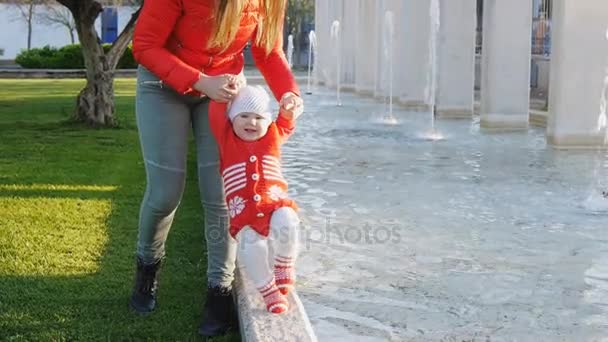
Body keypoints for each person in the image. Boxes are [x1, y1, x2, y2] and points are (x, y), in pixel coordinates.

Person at [128, 0, 303, 337]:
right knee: (165, 193)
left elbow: (268, 51)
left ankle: (218, 292)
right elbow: (145, 45)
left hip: (222, 88)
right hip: (161, 87)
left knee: (223, 195)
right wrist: (197, 80)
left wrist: (289, 94)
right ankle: (147, 268)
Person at [209, 85, 302, 314]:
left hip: (274, 203)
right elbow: (215, 113)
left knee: (288, 220)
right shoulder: (226, 138)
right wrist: (224, 93)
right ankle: (268, 289)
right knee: (252, 248)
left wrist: (288, 107)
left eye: (258, 117)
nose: (251, 122)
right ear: (232, 119)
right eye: (244, 116)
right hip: (244, 214)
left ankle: (284, 262)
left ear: (268, 120)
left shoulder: (273, 134)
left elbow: (287, 122)